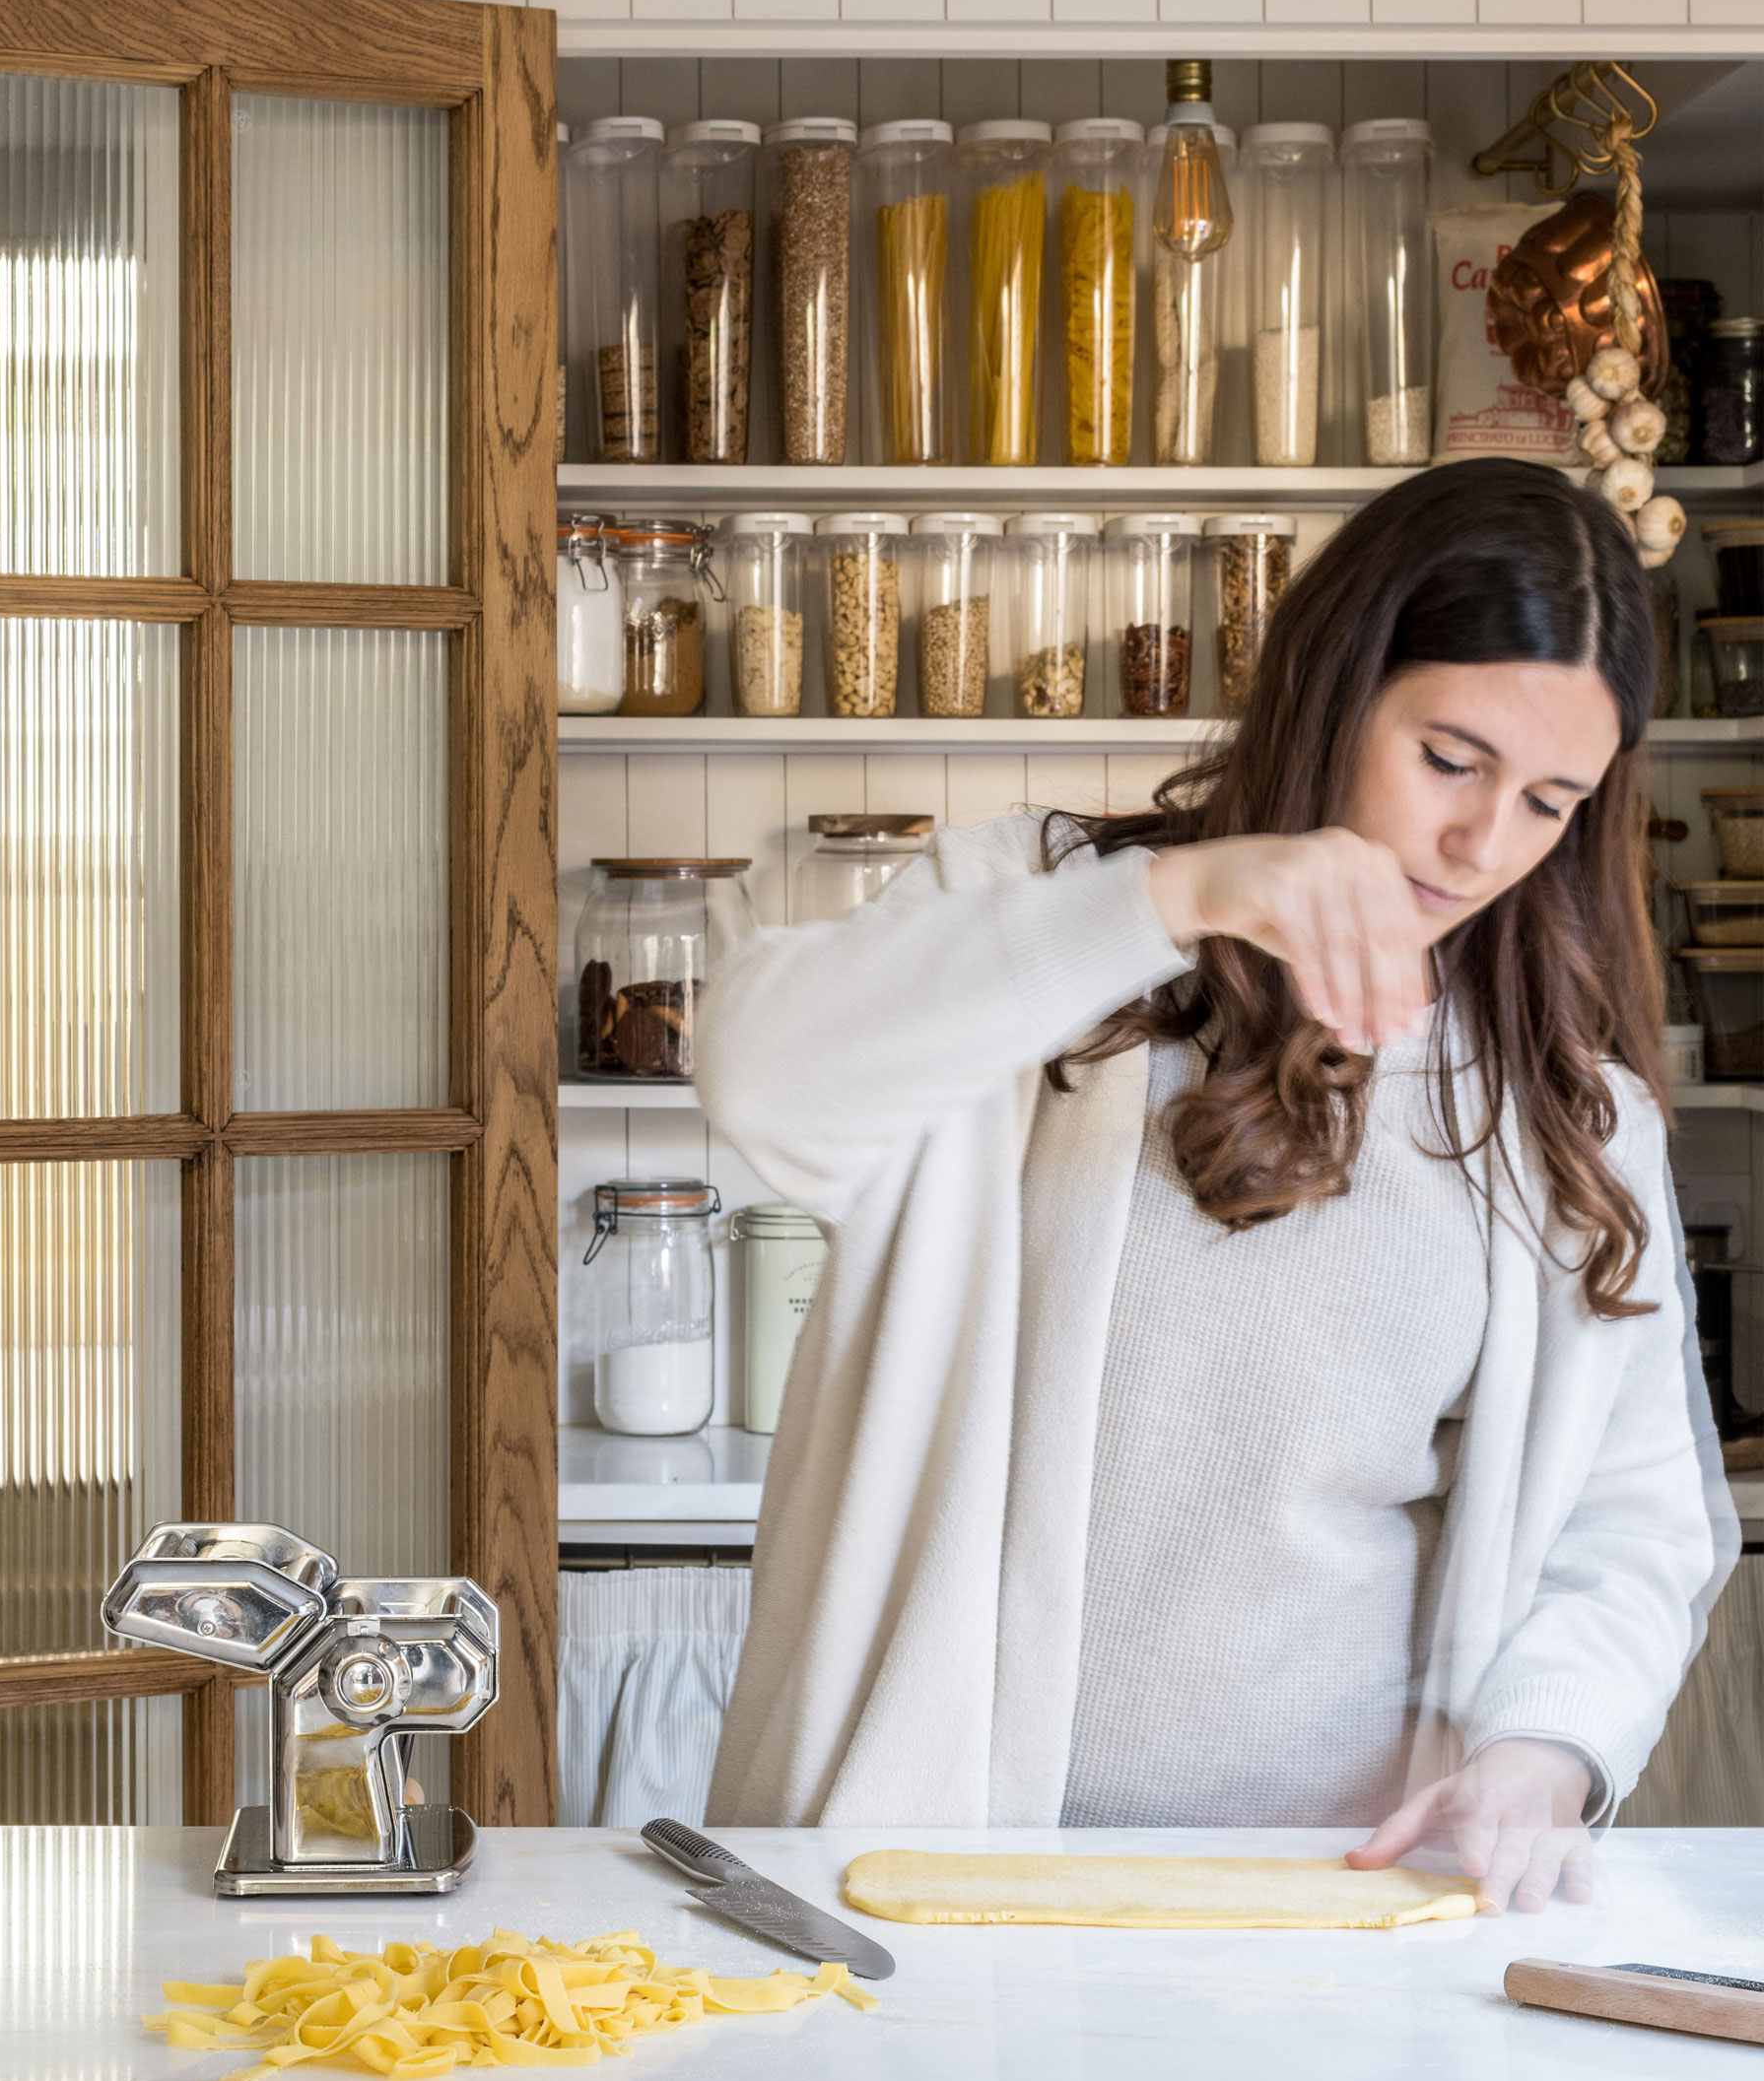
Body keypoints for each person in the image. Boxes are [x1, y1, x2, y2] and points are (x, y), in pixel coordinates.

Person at [697, 460, 1736, 1913]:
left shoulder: (1563, 1111)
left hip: (1346, 1894)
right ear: (1336, 687)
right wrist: (1185, 897)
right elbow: (761, 1070)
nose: (1483, 844)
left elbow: (1634, 1521)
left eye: (1551, 801)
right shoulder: (1046, 919)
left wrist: (1547, 1752)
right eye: (1451, 758)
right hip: (946, 1861)